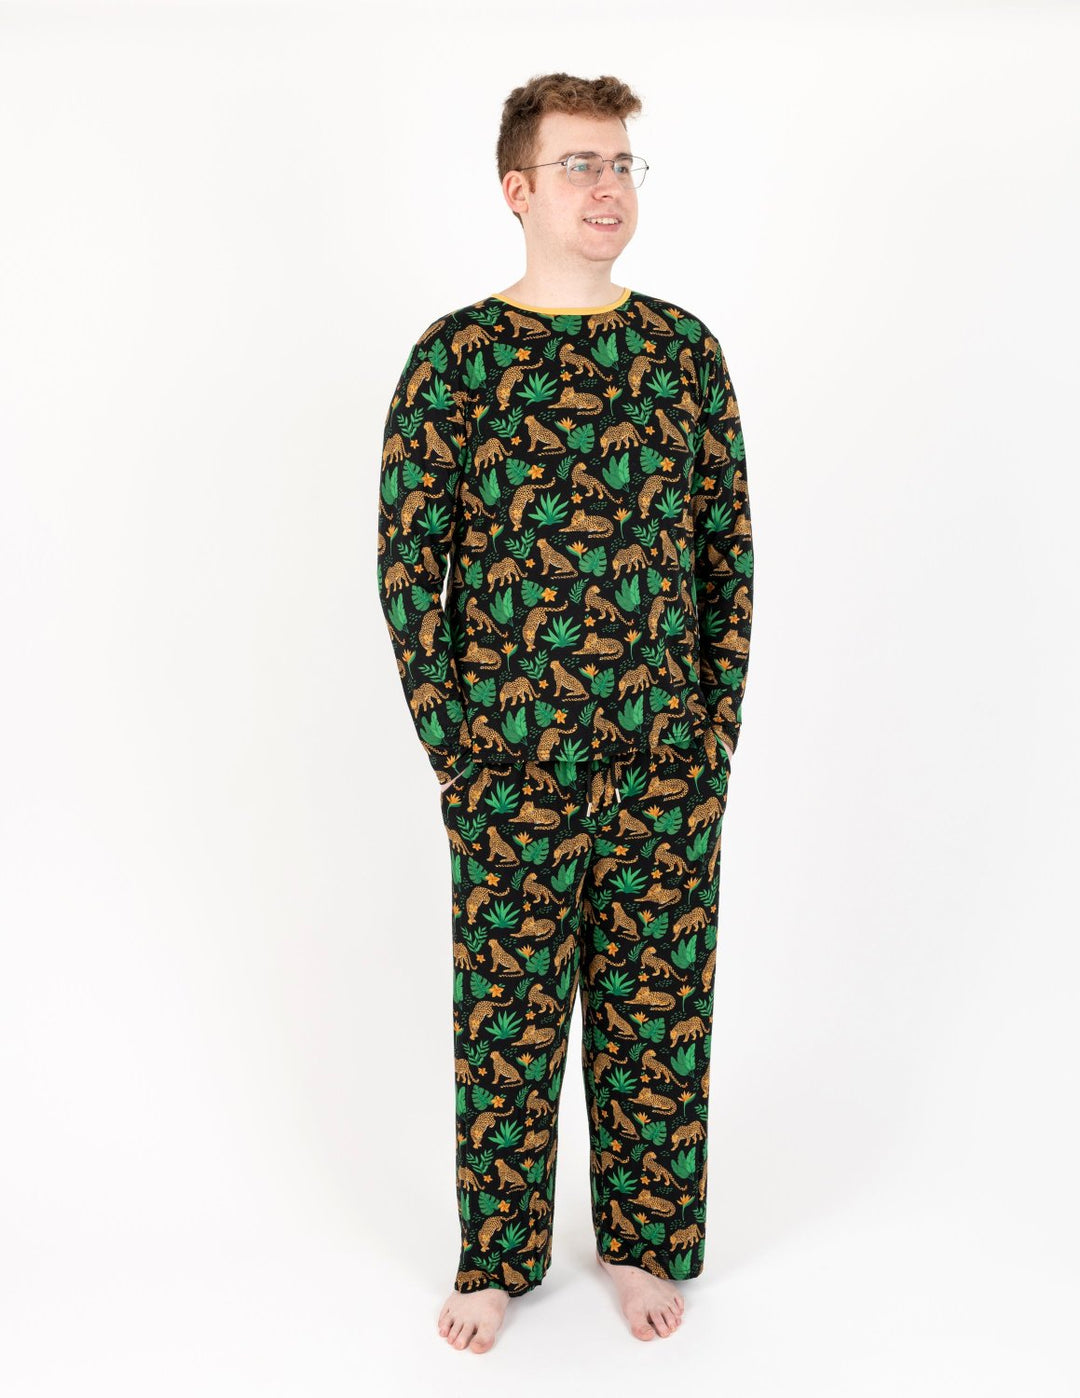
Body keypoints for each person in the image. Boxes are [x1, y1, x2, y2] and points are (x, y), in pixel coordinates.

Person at [376, 72, 753, 1352]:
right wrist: (458, 754)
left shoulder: (684, 354)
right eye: (581, 165)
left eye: (624, 165)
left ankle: (645, 1241)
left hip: (663, 764)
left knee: (661, 1016)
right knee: (508, 1022)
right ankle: (497, 1259)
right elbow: (409, 569)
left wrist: (710, 740)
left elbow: (725, 558)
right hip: (510, 771)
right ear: (518, 189)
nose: (609, 189)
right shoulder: (457, 360)